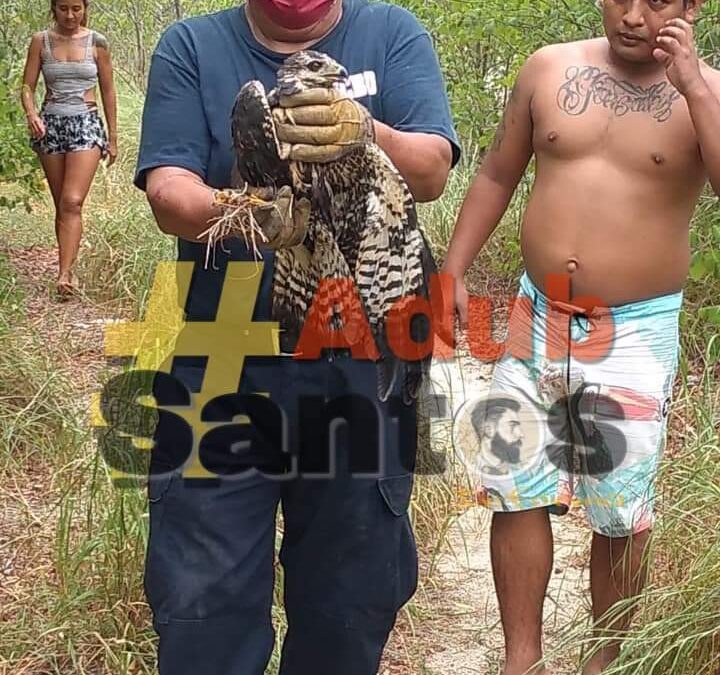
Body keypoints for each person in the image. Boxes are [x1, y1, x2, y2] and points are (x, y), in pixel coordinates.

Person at [133, 0, 459, 673]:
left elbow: (430, 167)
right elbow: (168, 192)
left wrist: (366, 130)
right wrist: (247, 213)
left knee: (349, 600)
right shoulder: (191, 46)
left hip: (357, 348)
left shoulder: (391, 33)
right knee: (202, 607)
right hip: (221, 349)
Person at [442, 0, 720, 673]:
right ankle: (521, 660)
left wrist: (692, 87)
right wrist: (451, 267)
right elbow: (497, 173)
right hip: (539, 313)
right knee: (515, 484)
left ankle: (605, 660)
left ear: (691, 7)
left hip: (633, 327)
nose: (633, 15)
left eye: (657, 2)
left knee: (620, 508)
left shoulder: (707, 91)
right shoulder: (548, 68)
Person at [21, 0, 118, 298]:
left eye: (77, 8)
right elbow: (27, 86)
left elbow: (108, 89)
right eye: (63, 8)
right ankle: (65, 267)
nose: (71, 15)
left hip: (86, 124)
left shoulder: (96, 42)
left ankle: (66, 275)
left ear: (85, 8)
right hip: (51, 125)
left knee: (73, 201)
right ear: (54, 9)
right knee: (61, 202)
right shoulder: (41, 41)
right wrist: (32, 114)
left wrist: (113, 137)